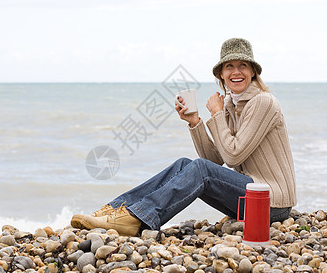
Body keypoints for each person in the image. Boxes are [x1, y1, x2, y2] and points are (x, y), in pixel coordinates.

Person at [71, 38, 297, 236]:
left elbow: (234, 156)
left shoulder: (263, 102)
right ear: (221, 74)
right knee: (184, 164)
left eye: (243, 66)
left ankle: (137, 218)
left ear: (253, 72)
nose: (236, 72)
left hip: (271, 203)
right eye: (230, 66)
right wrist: (195, 122)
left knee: (199, 169)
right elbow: (216, 159)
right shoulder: (230, 104)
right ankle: (116, 209)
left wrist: (216, 114)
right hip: (247, 198)